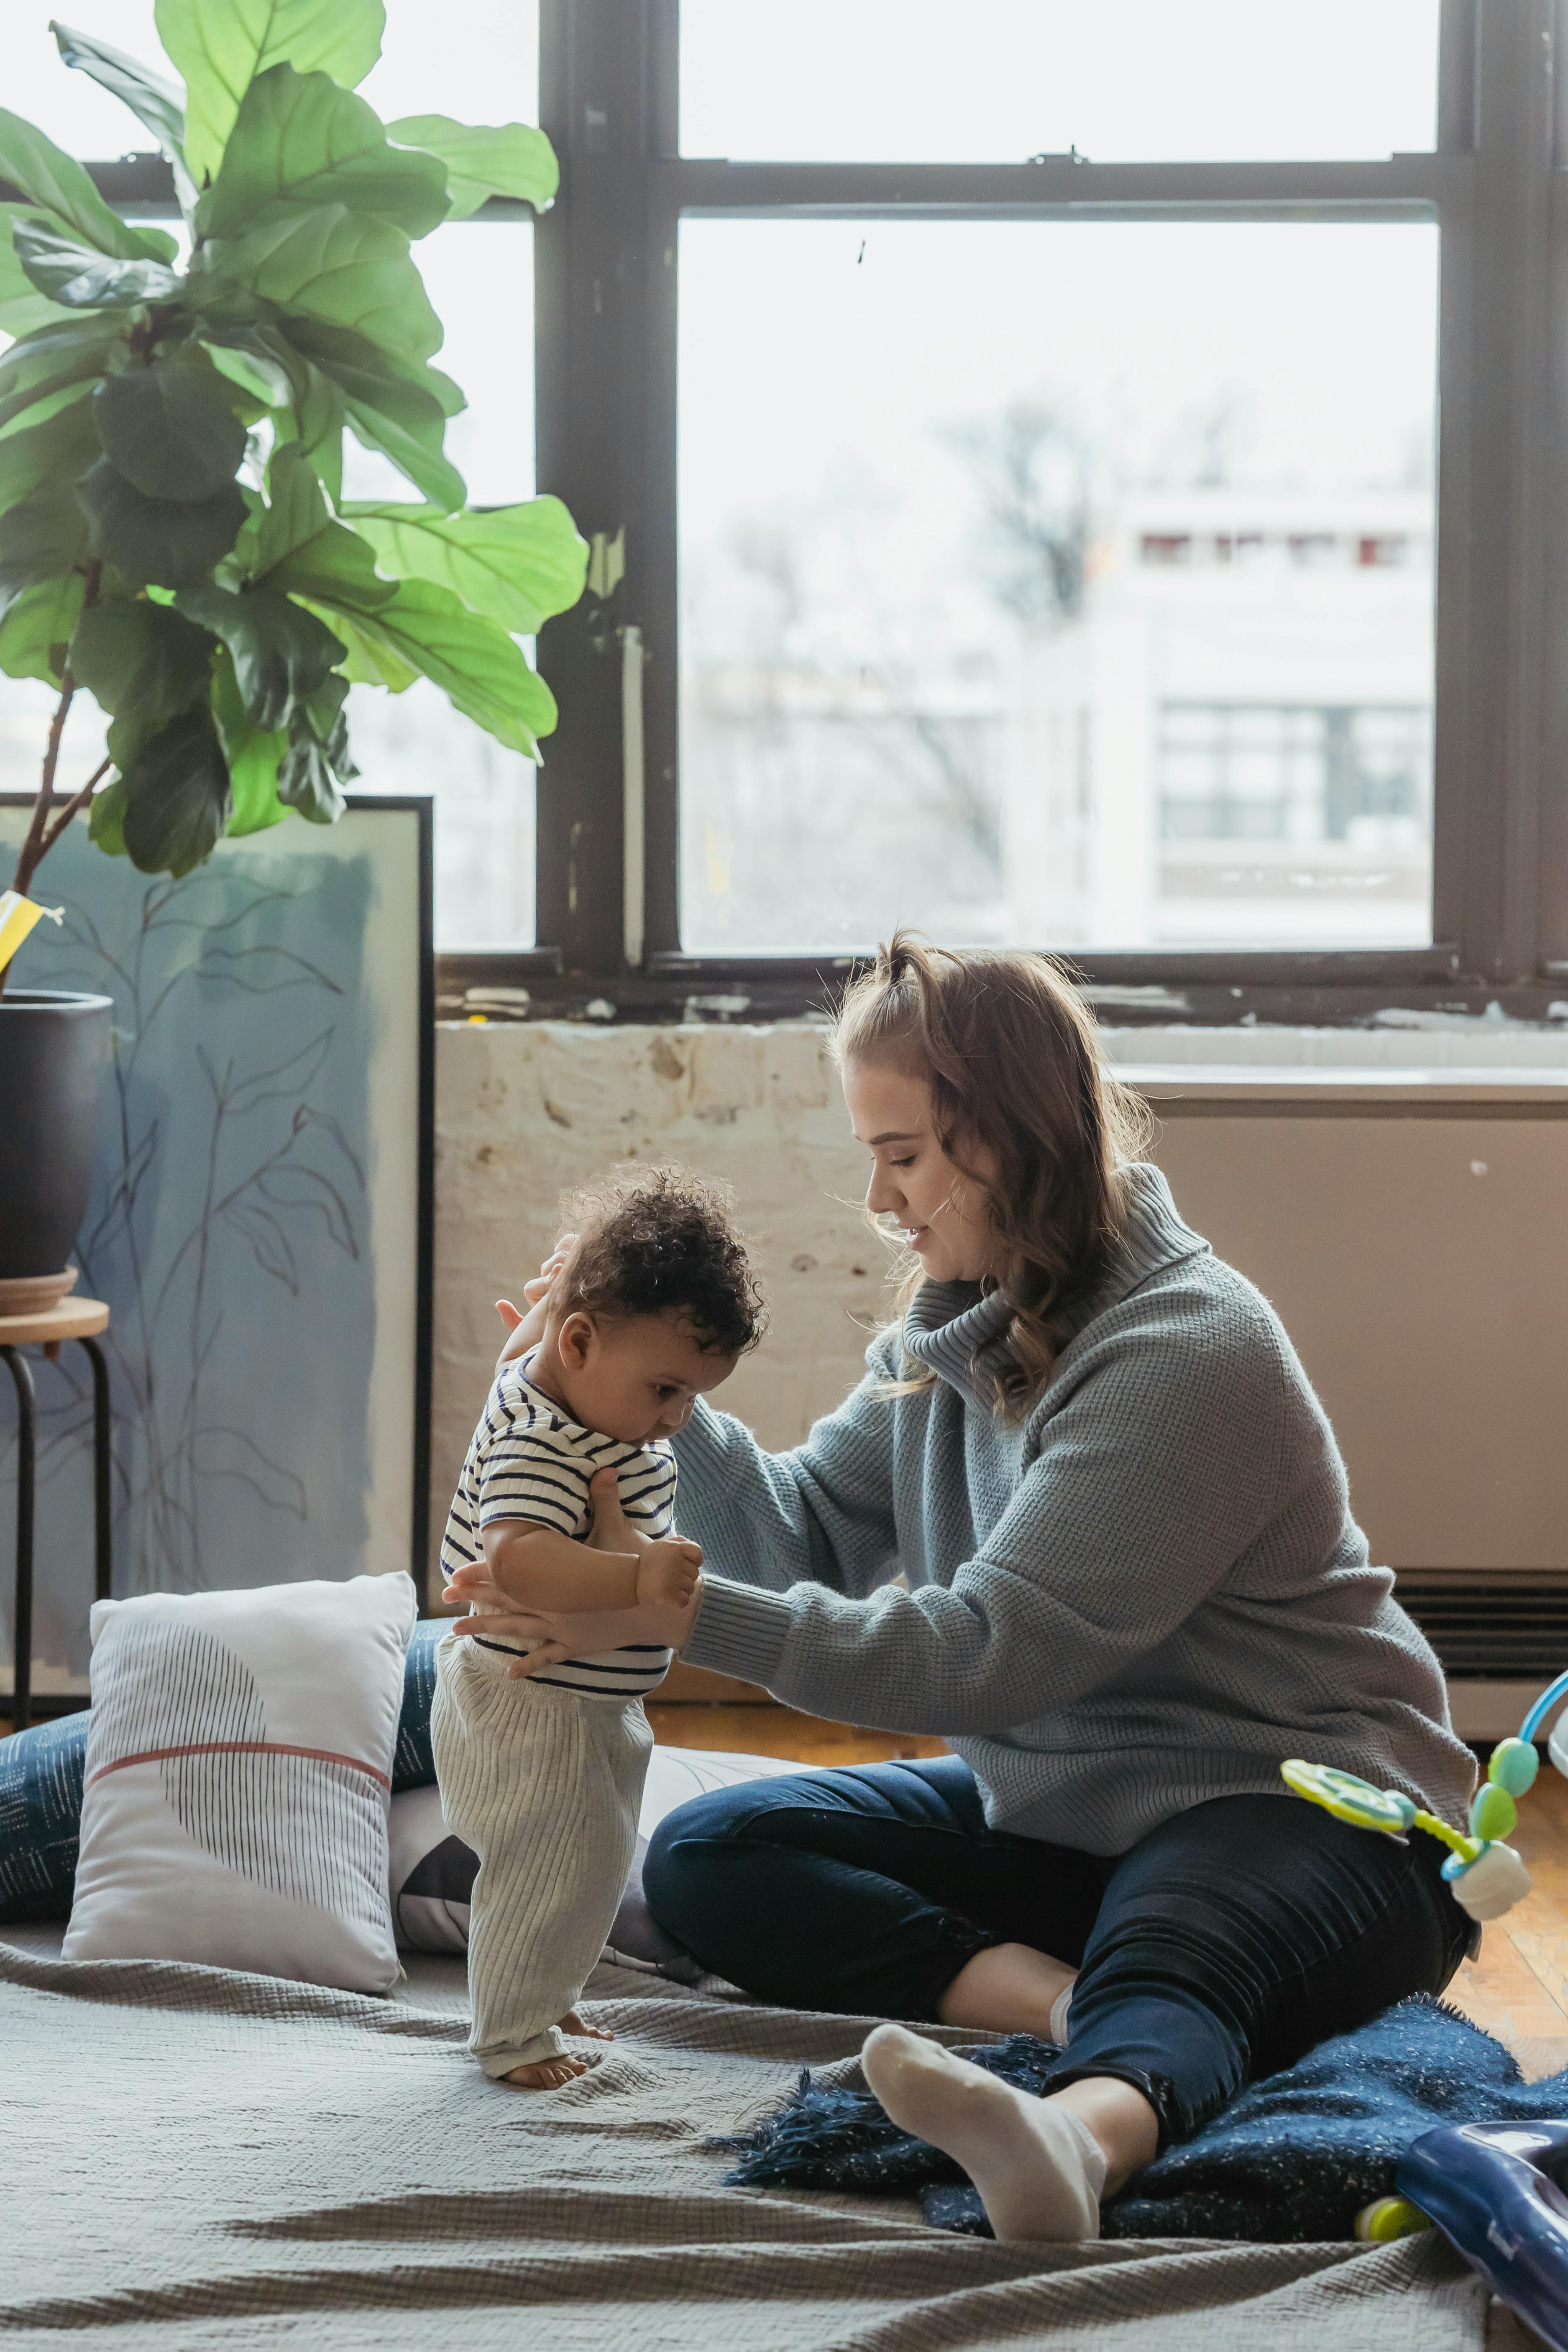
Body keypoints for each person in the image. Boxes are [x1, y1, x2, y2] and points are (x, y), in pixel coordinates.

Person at [474, 935, 1476, 2231]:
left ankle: (1075, 2139)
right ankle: (1073, 2005)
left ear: (1001, 1138)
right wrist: (648, 1399)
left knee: (1182, 1934)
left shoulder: (1187, 1351)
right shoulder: (952, 1324)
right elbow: (801, 1534)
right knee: (715, 1854)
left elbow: (981, 1656)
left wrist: (659, 1600)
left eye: (900, 1158)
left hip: (1308, 1807)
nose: (884, 1205)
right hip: (1078, 1808)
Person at [434, 1166, 762, 2088]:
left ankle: (549, 1991)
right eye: (664, 1390)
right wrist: (637, 1574)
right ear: (576, 1342)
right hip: (537, 1703)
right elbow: (518, 1558)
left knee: (594, 1861)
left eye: (694, 1396)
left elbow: (540, 1334)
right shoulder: (545, 1440)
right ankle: (510, 2036)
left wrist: (582, 1265)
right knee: (551, 1863)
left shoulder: (562, 1380)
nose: (675, 1420)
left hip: (588, 1700)